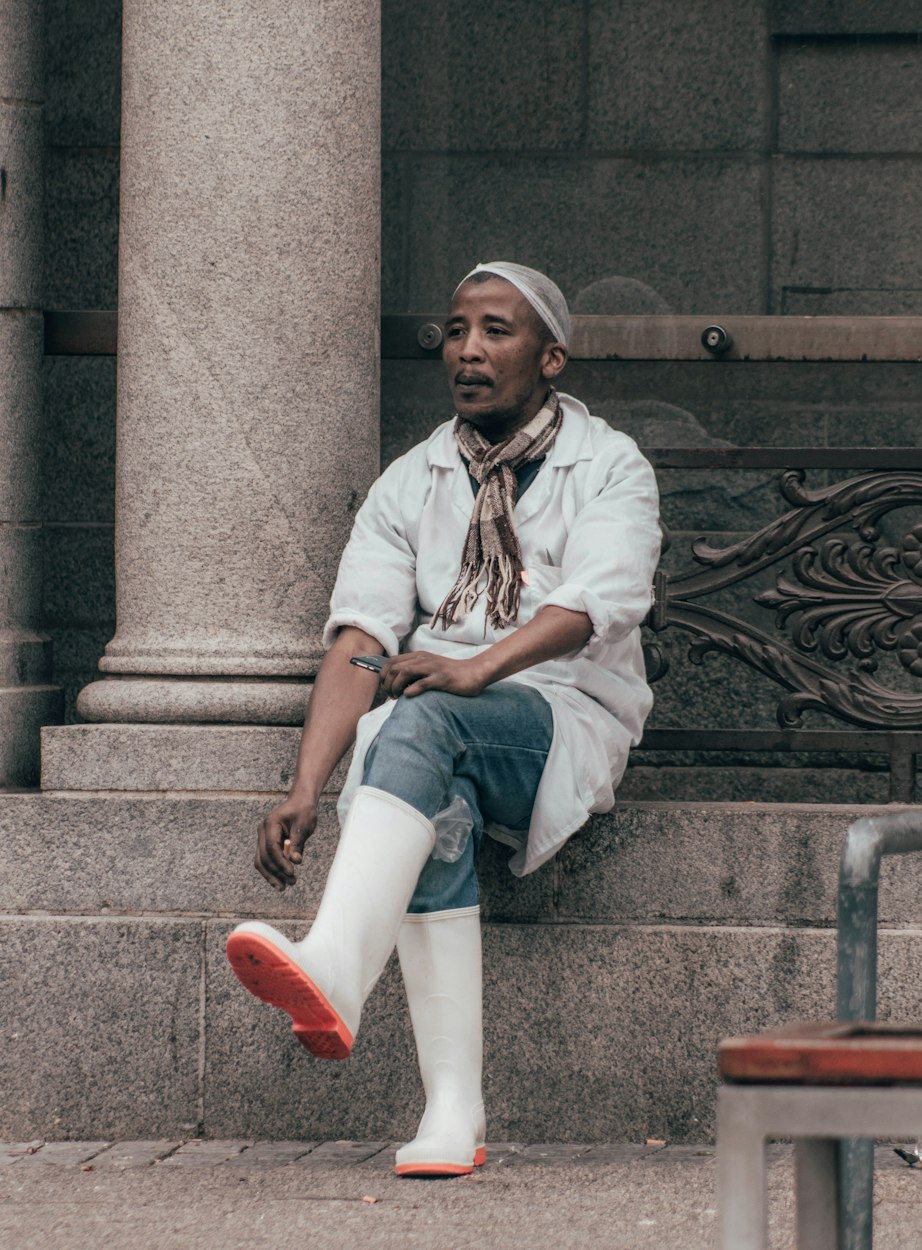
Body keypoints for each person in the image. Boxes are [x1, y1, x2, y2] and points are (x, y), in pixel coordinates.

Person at [226, 261, 661, 1178]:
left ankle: (342, 965)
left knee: (419, 724)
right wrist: (307, 785)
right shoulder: (412, 479)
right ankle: (452, 1113)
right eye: (456, 330)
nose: (467, 350)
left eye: (496, 331)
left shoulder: (611, 464)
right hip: (442, 719)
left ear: (551, 358)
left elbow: (598, 601)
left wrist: (473, 669)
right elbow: (362, 635)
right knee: (422, 780)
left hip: (563, 712)